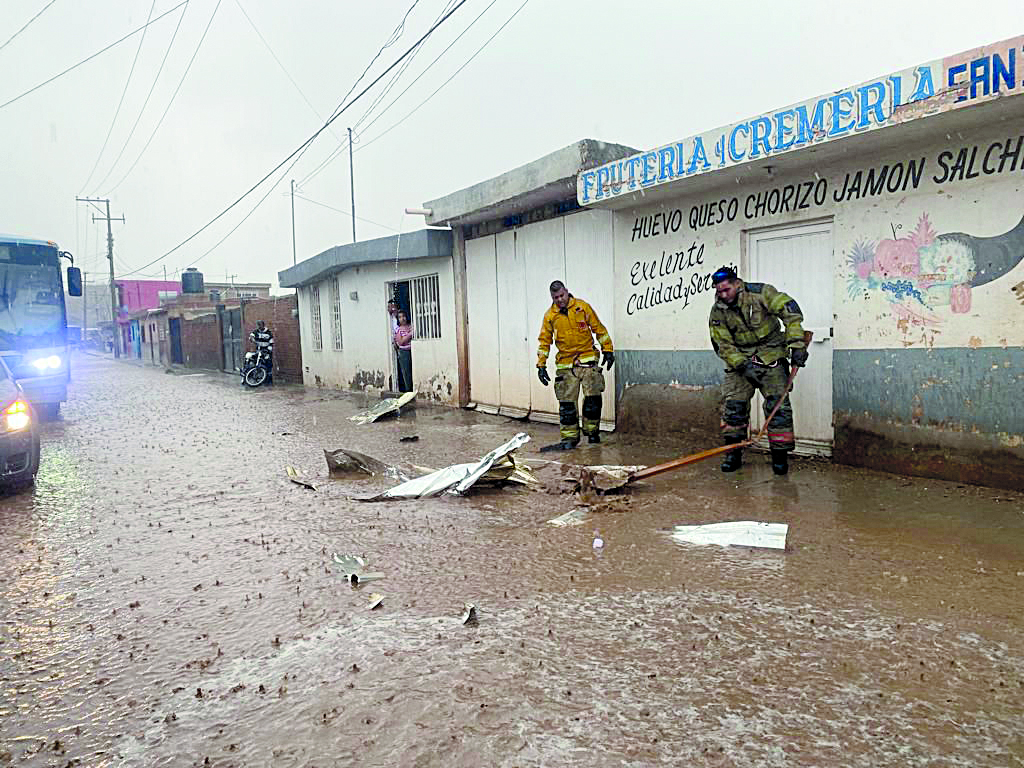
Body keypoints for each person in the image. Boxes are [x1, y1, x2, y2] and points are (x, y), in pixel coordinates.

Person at [709, 266, 808, 475]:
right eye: (719, 291)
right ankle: (732, 453)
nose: (723, 295)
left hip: (771, 354)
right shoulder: (718, 311)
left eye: (726, 289)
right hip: (740, 361)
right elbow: (722, 344)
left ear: (737, 284)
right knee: (733, 408)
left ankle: (780, 458)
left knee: (778, 408)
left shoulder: (761, 293)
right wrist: (742, 365)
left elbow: (790, 311)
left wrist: (797, 345)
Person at [536, 280, 614, 450]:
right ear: (552, 297)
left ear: (567, 292)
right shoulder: (550, 316)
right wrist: (540, 365)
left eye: (562, 295)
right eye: (556, 297)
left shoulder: (582, 307)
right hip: (565, 364)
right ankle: (569, 438)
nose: (560, 300)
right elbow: (544, 342)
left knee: (592, 399)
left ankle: (592, 433)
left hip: (587, 360)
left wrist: (608, 350)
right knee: (567, 404)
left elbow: (598, 328)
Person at [393, 310, 414, 392]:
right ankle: (408, 390)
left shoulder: (410, 326)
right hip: (404, 353)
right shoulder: (399, 330)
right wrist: (410, 334)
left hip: (412, 351)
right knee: (406, 372)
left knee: (412, 371)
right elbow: (401, 342)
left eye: (404, 316)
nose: (402, 318)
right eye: (400, 317)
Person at [248, 319, 274, 384]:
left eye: (260, 325)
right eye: (258, 325)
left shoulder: (268, 333)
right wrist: (253, 339)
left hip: (266, 351)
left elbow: (271, 343)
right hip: (259, 351)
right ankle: (257, 377)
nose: (259, 327)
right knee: (256, 362)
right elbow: (251, 336)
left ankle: (269, 380)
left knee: (268, 365)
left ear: (263, 325)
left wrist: (268, 351)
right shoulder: (256, 331)